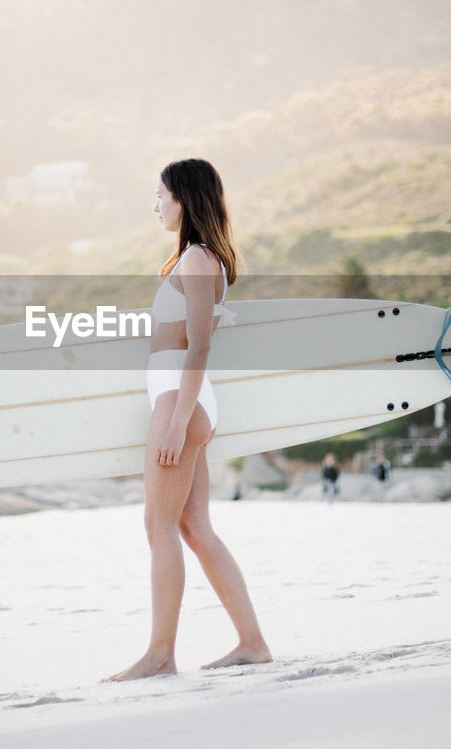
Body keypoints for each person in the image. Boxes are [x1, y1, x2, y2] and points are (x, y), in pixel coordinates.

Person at [108, 158, 272, 682]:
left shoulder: (199, 260)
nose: (155, 206)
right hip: (182, 399)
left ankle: (160, 655)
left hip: (182, 401)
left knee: (158, 526)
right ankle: (252, 642)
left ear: (185, 198)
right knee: (193, 527)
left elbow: (200, 344)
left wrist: (177, 420)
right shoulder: (195, 259)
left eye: (161, 195)